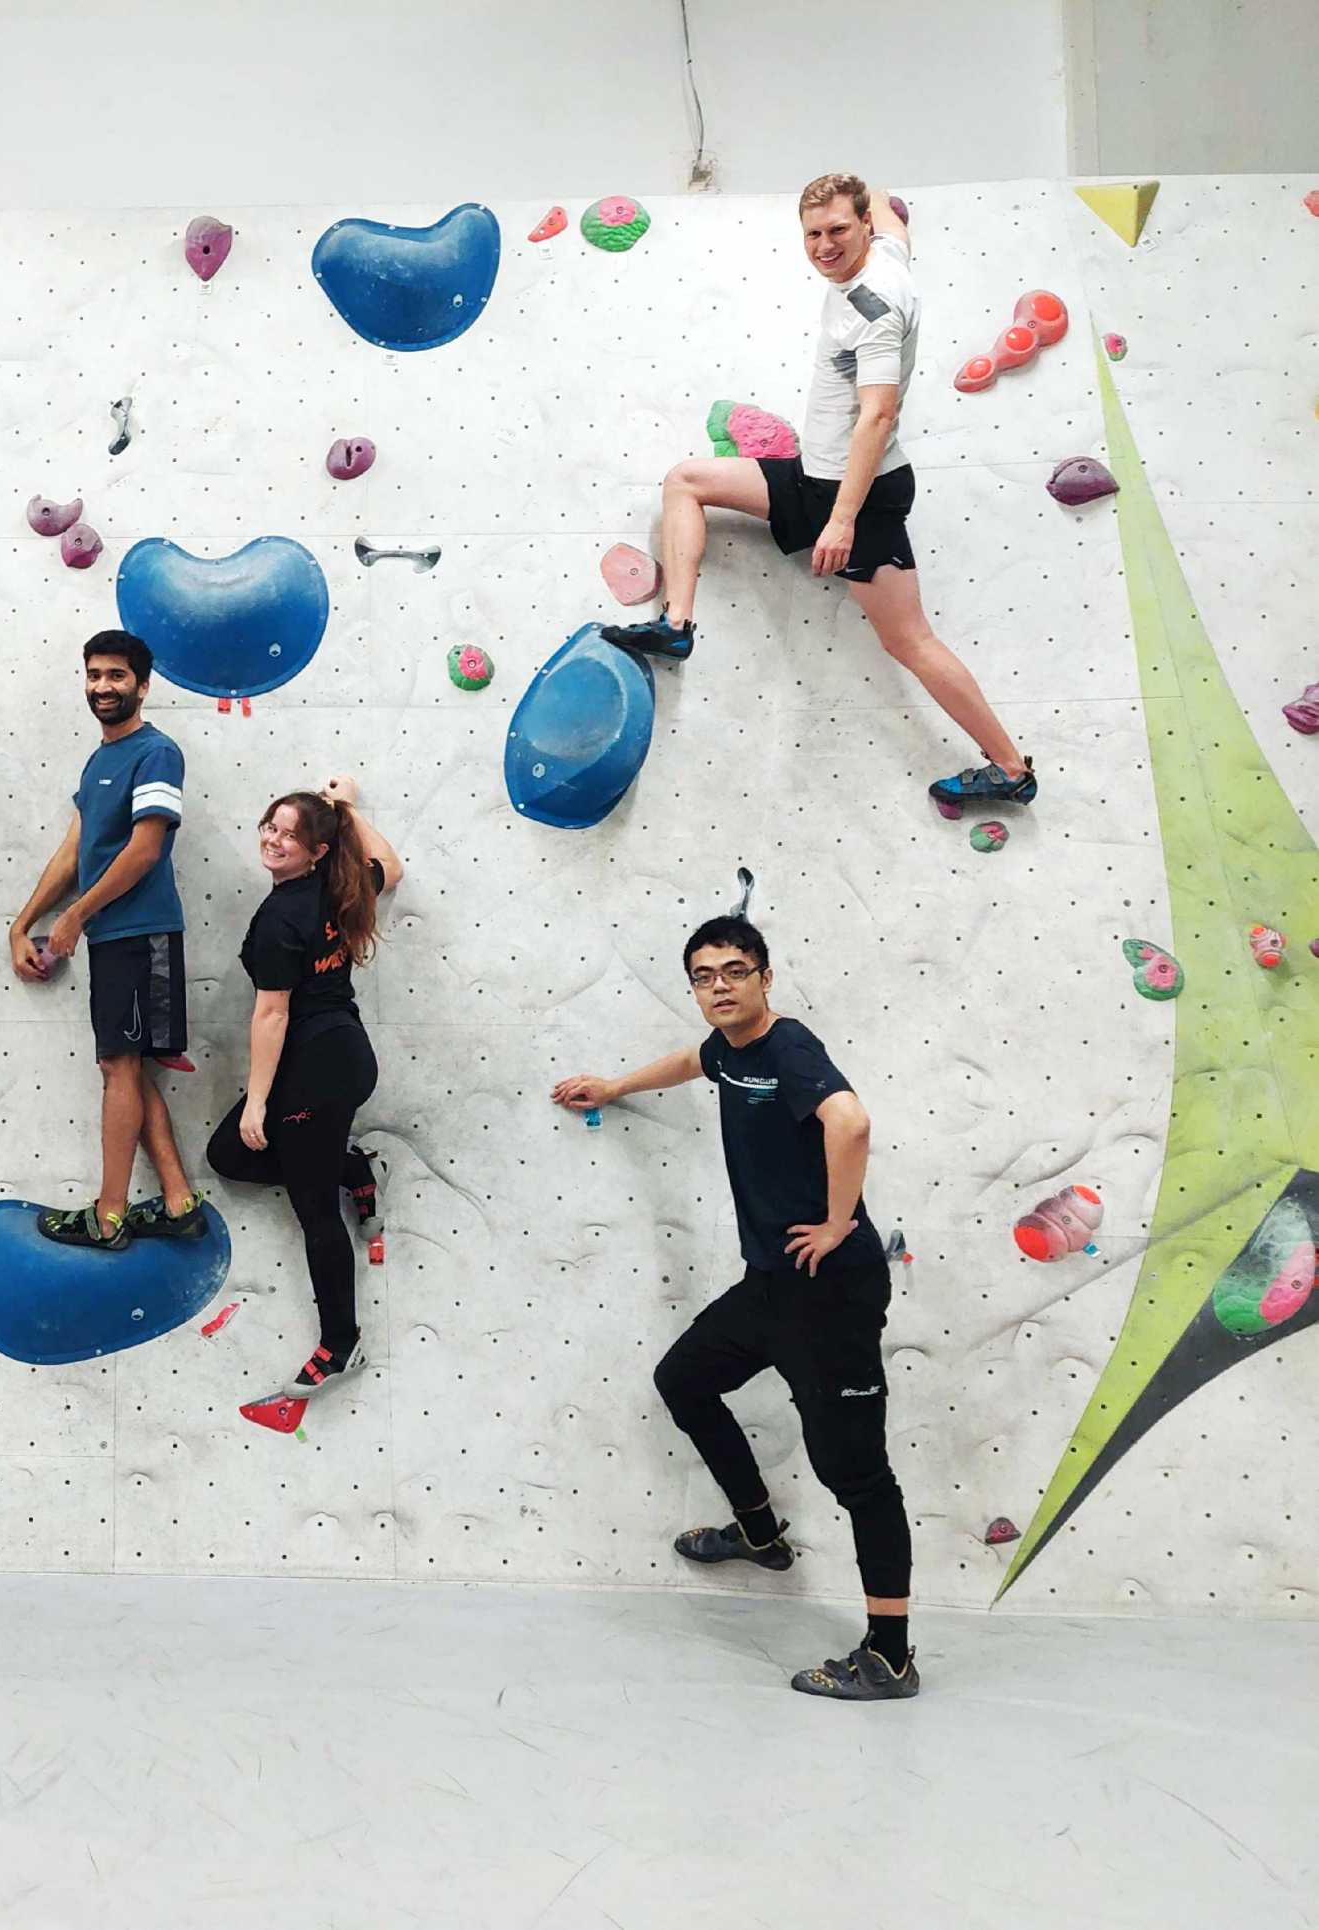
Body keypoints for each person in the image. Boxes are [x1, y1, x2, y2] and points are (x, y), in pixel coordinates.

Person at [550, 916, 918, 1702]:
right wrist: (614, 1086)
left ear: (766, 978)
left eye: (735, 971)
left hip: (833, 1296)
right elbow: (695, 1060)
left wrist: (841, 1221)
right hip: (771, 1286)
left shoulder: (788, 1048)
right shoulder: (731, 1050)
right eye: (704, 975)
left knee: (856, 1475)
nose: (720, 985)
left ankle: (890, 1656)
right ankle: (758, 1531)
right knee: (684, 1379)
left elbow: (850, 1121)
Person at [598, 173, 1035, 817]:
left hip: (857, 495)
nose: (825, 246)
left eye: (837, 230)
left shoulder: (874, 308)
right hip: (813, 477)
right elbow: (892, 216)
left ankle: (1010, 769)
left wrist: (841, 522)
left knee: (908, 641)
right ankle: (676, 627)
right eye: (813, 234)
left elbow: (878, 417)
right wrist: (860, 187)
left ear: (860, 227)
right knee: (684, 481)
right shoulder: (885, 251)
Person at [205, 777, 403, 1396]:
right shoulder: (340, 887)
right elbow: (391, 867)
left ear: (317, 850)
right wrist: (346, 809)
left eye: (292, 834)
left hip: (317, 1069)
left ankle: (342, 1344)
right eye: (271, 825)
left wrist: (257, 1101)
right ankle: (353, 1171)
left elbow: (272, 1015)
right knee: (228, 1156)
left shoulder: (282, 918)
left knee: (314, 1213)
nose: (275, 839)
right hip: (340, 1057)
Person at [10, 631, 202, 1250]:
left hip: (140, 932)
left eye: (116, 676)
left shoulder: (157, 753)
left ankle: (109, 1214)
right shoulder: (99, 762)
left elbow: (145, 850)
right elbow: (75, 852)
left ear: (143, 686)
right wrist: (23, 921)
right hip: (116, 936)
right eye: (94, 674)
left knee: (118, 1066)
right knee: (123, 1066)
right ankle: (177, 1199)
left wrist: (76, 918)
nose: (102, 686)